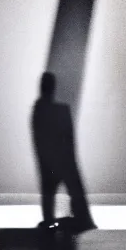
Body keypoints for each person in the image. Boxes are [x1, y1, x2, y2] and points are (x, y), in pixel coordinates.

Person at [31, 72, 96, 232]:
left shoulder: (39, 111)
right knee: (71, 190)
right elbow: (68, 139)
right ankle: (80, 218)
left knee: (49, 195)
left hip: (49, 163)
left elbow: (39, 141)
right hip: (63, 161)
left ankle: (50, 221)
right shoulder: (60, 111)